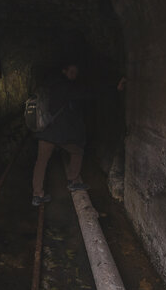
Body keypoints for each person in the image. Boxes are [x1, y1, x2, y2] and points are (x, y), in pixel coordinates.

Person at [31, 62, 126, 206]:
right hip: (59, 133)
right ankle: (73, 180)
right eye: (71, 71)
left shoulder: (49, 84)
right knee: (78, 151)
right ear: (64, 71)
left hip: (45, 130)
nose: (74, 74)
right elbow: (89, 93)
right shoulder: (67, 87)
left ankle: (37, 194)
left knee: (41, 162)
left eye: (76, 72)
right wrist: (114, 88)